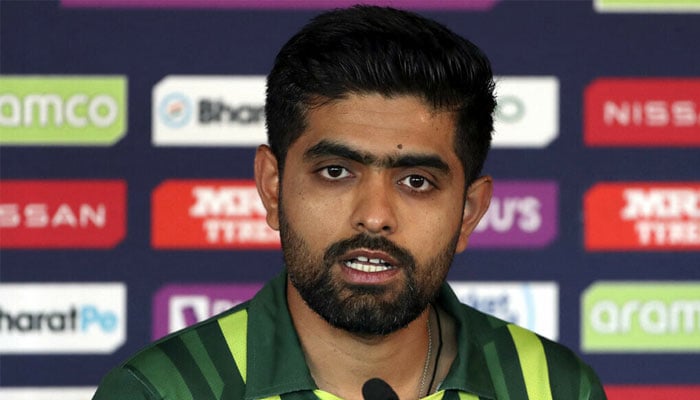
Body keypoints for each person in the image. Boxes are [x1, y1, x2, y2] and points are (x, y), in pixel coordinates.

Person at [93, 5, 606, 400]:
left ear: (469, 212)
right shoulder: (164, 391)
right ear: (272, 186)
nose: (375, 216)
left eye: (417, 181)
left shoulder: (554, 387)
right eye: (336, 172)